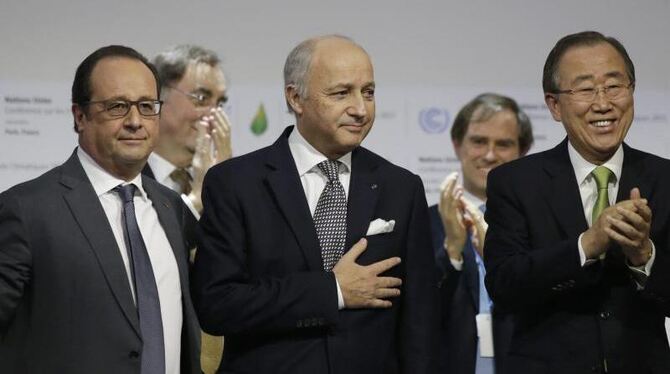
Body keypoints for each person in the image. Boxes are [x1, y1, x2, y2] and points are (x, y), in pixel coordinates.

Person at [192, 35, 437, 374]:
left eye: (368, 92)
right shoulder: (235, 183)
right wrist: (332, 290)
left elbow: (419, 321)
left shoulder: (402, 188)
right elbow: (218, 304)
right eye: (341, 93)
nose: (360, 109)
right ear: (296, 98)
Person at [0, 45, 200, 374]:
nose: (135, 121)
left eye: (147, 106)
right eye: (117, 107)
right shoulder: (26, 210)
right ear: (80, 116)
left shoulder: (171, 207)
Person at [484, 31, 670, 373]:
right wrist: (587, 244)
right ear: (554, 105)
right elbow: (504, 284)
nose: (603, 103)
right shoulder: (514, 182)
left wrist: (644, 255)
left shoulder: (664, 179)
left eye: (615, 86)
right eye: (585, 89)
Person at [429, 93, 533, 374]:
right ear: (457, 145)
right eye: (478, 141)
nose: (489, 154)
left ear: (522, 152)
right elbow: (417, 317)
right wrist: (452, 252)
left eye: (503, 144)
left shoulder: (541, 225)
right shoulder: (424, 222)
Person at [149, 44, 229, 373]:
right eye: (200, 98)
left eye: (220, 102)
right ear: (158, 98)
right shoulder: (122, 179)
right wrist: (198, 202)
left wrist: (225, 194)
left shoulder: (231, 183)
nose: (213, 114)